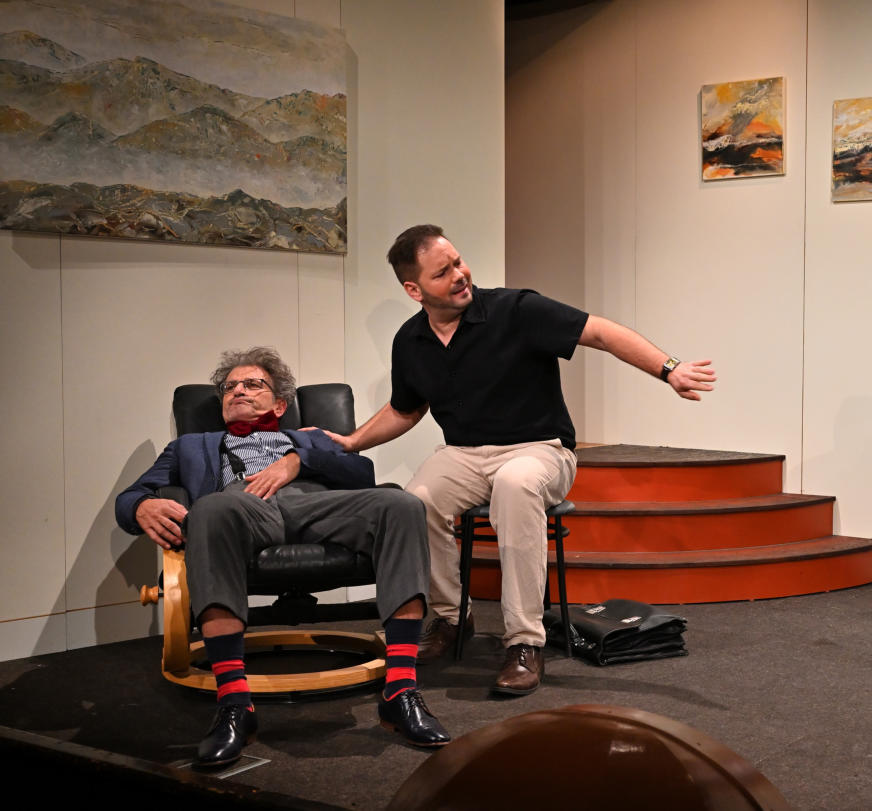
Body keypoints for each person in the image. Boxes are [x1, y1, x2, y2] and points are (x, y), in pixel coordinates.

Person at [319, 224, 716, 695]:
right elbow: (406, 409)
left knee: (515, 483)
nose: (460, 275)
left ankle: (525, 641)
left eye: (458, 262)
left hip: (540, 448)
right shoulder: (410, 340)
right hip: (464, 453)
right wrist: (352, 442)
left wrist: (669, 369)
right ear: (414, 289)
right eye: (442, 273)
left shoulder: (518, 309)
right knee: (416, 501)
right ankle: (451, 618)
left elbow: (601, 333)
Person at [115, 347, 450, 769]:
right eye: (230, 387)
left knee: (402, 504)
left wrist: (296, 460)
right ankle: (235, 704)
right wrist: (140, 506)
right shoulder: (190, 446)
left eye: (252, 384)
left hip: (319, 506)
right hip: (241, 508)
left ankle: (400, 691)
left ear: (278, 404)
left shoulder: (311, 437)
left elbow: (361, 473)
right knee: (210, 508)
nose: (238, 390)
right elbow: (131, 496)